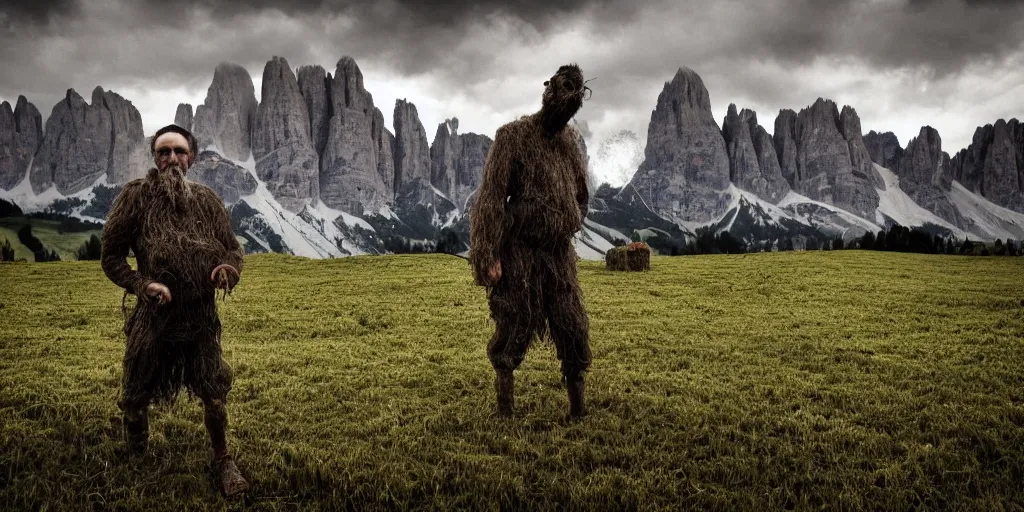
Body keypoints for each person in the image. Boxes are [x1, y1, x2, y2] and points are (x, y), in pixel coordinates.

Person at [100, 124, 248, 495]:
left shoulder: (208, 200)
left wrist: (227, 270)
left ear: (191, 157)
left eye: (179, 151)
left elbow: (233, 249)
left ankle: (223, 459)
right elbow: (111, 256)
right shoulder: (135, 197)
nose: (172, 159)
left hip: (200, 320)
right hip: (152, 320)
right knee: (135, 396)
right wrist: (141, 285)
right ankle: (136, 453)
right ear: (154, 157)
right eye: (164, 152)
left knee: (214, 393)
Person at [469, 63, 593, 418]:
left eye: (573, 98)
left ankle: (578, 409)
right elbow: (490, 200)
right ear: (548, 92)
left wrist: (568, 220)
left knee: (572, 326)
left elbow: (582, 194)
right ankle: (505, 408)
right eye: (561, 92)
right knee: (514, 323)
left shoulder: (570, 143)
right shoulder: (512, 137)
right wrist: (488, 255)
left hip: (558, 255)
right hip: (520, 251)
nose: (565, 104)